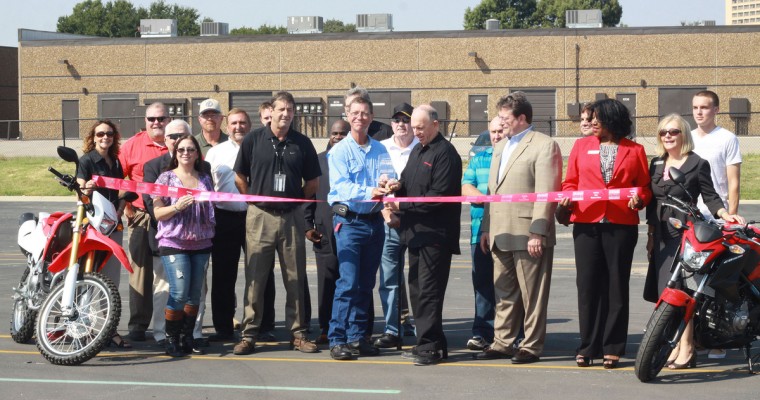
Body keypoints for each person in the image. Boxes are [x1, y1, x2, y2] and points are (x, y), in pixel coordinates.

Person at [644, 114, 744, 370]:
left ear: (683, 135)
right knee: (665, 293)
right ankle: (674, 345)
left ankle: (686, 348)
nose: (668, 136)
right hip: (662, 236)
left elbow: (710, 197)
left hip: (685, 234)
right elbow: (652, 203)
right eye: (664, 132)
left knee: (683, 291)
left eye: (674, 132)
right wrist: (651, 236)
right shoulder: (656, 163)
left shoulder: (697, 163)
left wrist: (725, 213)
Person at [558, 99, 652, 369]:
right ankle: (588, 345)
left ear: (613, 119)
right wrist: (567, 198)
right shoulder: (580, 146)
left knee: (616, 286)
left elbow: (643, 187)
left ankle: (613, 347)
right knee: (587, 287)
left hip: (621, 224)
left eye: (598, 118)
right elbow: (570, 182)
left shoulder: (635, 150)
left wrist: (639, 200)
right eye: (591, 118)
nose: (592, 122)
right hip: (587, 221)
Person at [475, 92, 562, 364]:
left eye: (505, 118)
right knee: (504, 291)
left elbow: (547, 192)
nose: (500, 123)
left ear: (521, 118)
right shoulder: (501, 146)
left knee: (532, 294)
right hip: (501, 231)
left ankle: (531, 345)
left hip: (528, 233)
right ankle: (502, 342)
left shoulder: (544, 145)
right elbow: (493, 192)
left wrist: (538, 230)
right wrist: (487, 227)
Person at [232, 91, 320, 355]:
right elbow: (239, 176)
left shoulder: (302, 143)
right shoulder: (254, 140)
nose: (286, 114)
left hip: (291, 217)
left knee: (294, 277)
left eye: (290, 110)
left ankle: (298, 333)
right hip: (259, 216)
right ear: (272, 110)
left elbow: (313, 183)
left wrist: (294, 203)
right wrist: (254, 201)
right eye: (281, 109)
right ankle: (249, 334)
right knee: (255, 277)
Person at [388, 104, 462, 366]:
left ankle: (428, 346)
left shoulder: (446, 153)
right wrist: (396, 186)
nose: (416, 131)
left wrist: (402, 205)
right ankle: (433, 343)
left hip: (435, 235)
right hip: (415, 234)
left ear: (435, 124)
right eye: (414, 127)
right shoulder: (418, 151)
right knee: (417, 290)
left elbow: (438, 197)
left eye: (420, 127)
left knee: (429, 292)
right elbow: (407, 182)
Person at [326, 97, 391, 361]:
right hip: (350, 223)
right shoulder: (339, 151)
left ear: (372, 116)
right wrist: (370, 191)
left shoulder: (380, 149)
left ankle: (357, 337)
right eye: (355, 113)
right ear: (348, 115)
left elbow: (388, 174)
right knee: (348, 283)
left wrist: (391, 184)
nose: (360, 118)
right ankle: (337, 338)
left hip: (374, 223)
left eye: (365, 113)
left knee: (366, 284)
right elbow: (341, 188)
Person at [143, 120, 210, 349]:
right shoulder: (165, 179)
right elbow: (159, 213)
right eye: (181, 149)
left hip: (201, 243)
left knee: (195, 294)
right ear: (175, 152)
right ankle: (171, 338)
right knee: (179, 292)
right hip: (174, 242)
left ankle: (187, 336)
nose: (186, 153)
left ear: (197, 153)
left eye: (191, 149)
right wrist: (178, 206)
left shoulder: (205, 179)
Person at [691, 90, 742, 359]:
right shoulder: (686, 137)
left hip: (717, 217)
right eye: (696, 107)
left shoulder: (727, 138)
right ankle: (695, 338)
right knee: (692, 281)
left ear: (716, 110)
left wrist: (730, 217)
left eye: (705, 107)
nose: (699, 112)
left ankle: (718, 339)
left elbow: (733, 182)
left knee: (715, 282)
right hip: (691, 218)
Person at [118, 103, 170, 342]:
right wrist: (127, 205)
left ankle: (171, 320)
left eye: (161, 118)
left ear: (168, 119)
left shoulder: (176, 143)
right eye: (152, 119)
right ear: (145, 120)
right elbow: (119, 179)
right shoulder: (132, 146)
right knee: (140, 270)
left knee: (168, 271)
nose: (156, 123)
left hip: (172, 215)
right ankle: (138, 323)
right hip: (141, 215)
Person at [76, 119, 130, 349]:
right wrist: (86, 189)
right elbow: (79, 194)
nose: (104, 137)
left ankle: (109, 329)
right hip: (92, 224)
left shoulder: (115, 161)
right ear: (93, 136)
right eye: (100, 134)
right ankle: (83, 326)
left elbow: (118, 191)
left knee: (111, 279)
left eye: (109, 134)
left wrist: (119, 209)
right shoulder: (87, 160)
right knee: (87, 276)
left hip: (112, 224)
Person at [374, 102, 419, 349]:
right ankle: (392, 329)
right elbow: (373, 184)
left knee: (418, 279)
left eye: (406, 120)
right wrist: (385, 213)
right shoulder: (381, 148)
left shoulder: (421, 148)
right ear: (391, 124)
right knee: (389, 278)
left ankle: (417, 325)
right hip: (388, 221)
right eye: (397, 120)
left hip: (415, 221)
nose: (401, 124)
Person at [204, 108, 250, 342]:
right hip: (224, 218)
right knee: (223, 275)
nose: (238, 127)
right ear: (227, 125)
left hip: (254, 218)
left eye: (242, 122)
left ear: (249, 125)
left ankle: (261, 324)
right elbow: (207, 185)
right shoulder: (215, 153)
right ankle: (223, 326)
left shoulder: (258, 147)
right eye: (234, 123)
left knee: (259, 273)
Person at [304, 119, 350, 345]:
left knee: (354, 279)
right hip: (324, 231)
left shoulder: (354, 158)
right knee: (327, 281)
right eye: (335, 133)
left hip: (352, 229)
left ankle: (358, 328)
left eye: (343, 133)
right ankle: (326, 326)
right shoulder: (318, 161)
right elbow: (308, 195)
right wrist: (308, 226)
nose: (338, 137)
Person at [460, 117, 504, 351]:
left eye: (500, 131)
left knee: (509, 287)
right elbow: (466, 187)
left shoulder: (512, 159)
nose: (496, 136)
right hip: (479, 233)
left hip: (507, 232)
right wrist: (489, 201)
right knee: (483, 285)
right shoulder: (479, 160)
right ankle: (482, 333)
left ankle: (513, 334)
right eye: (493, 132)